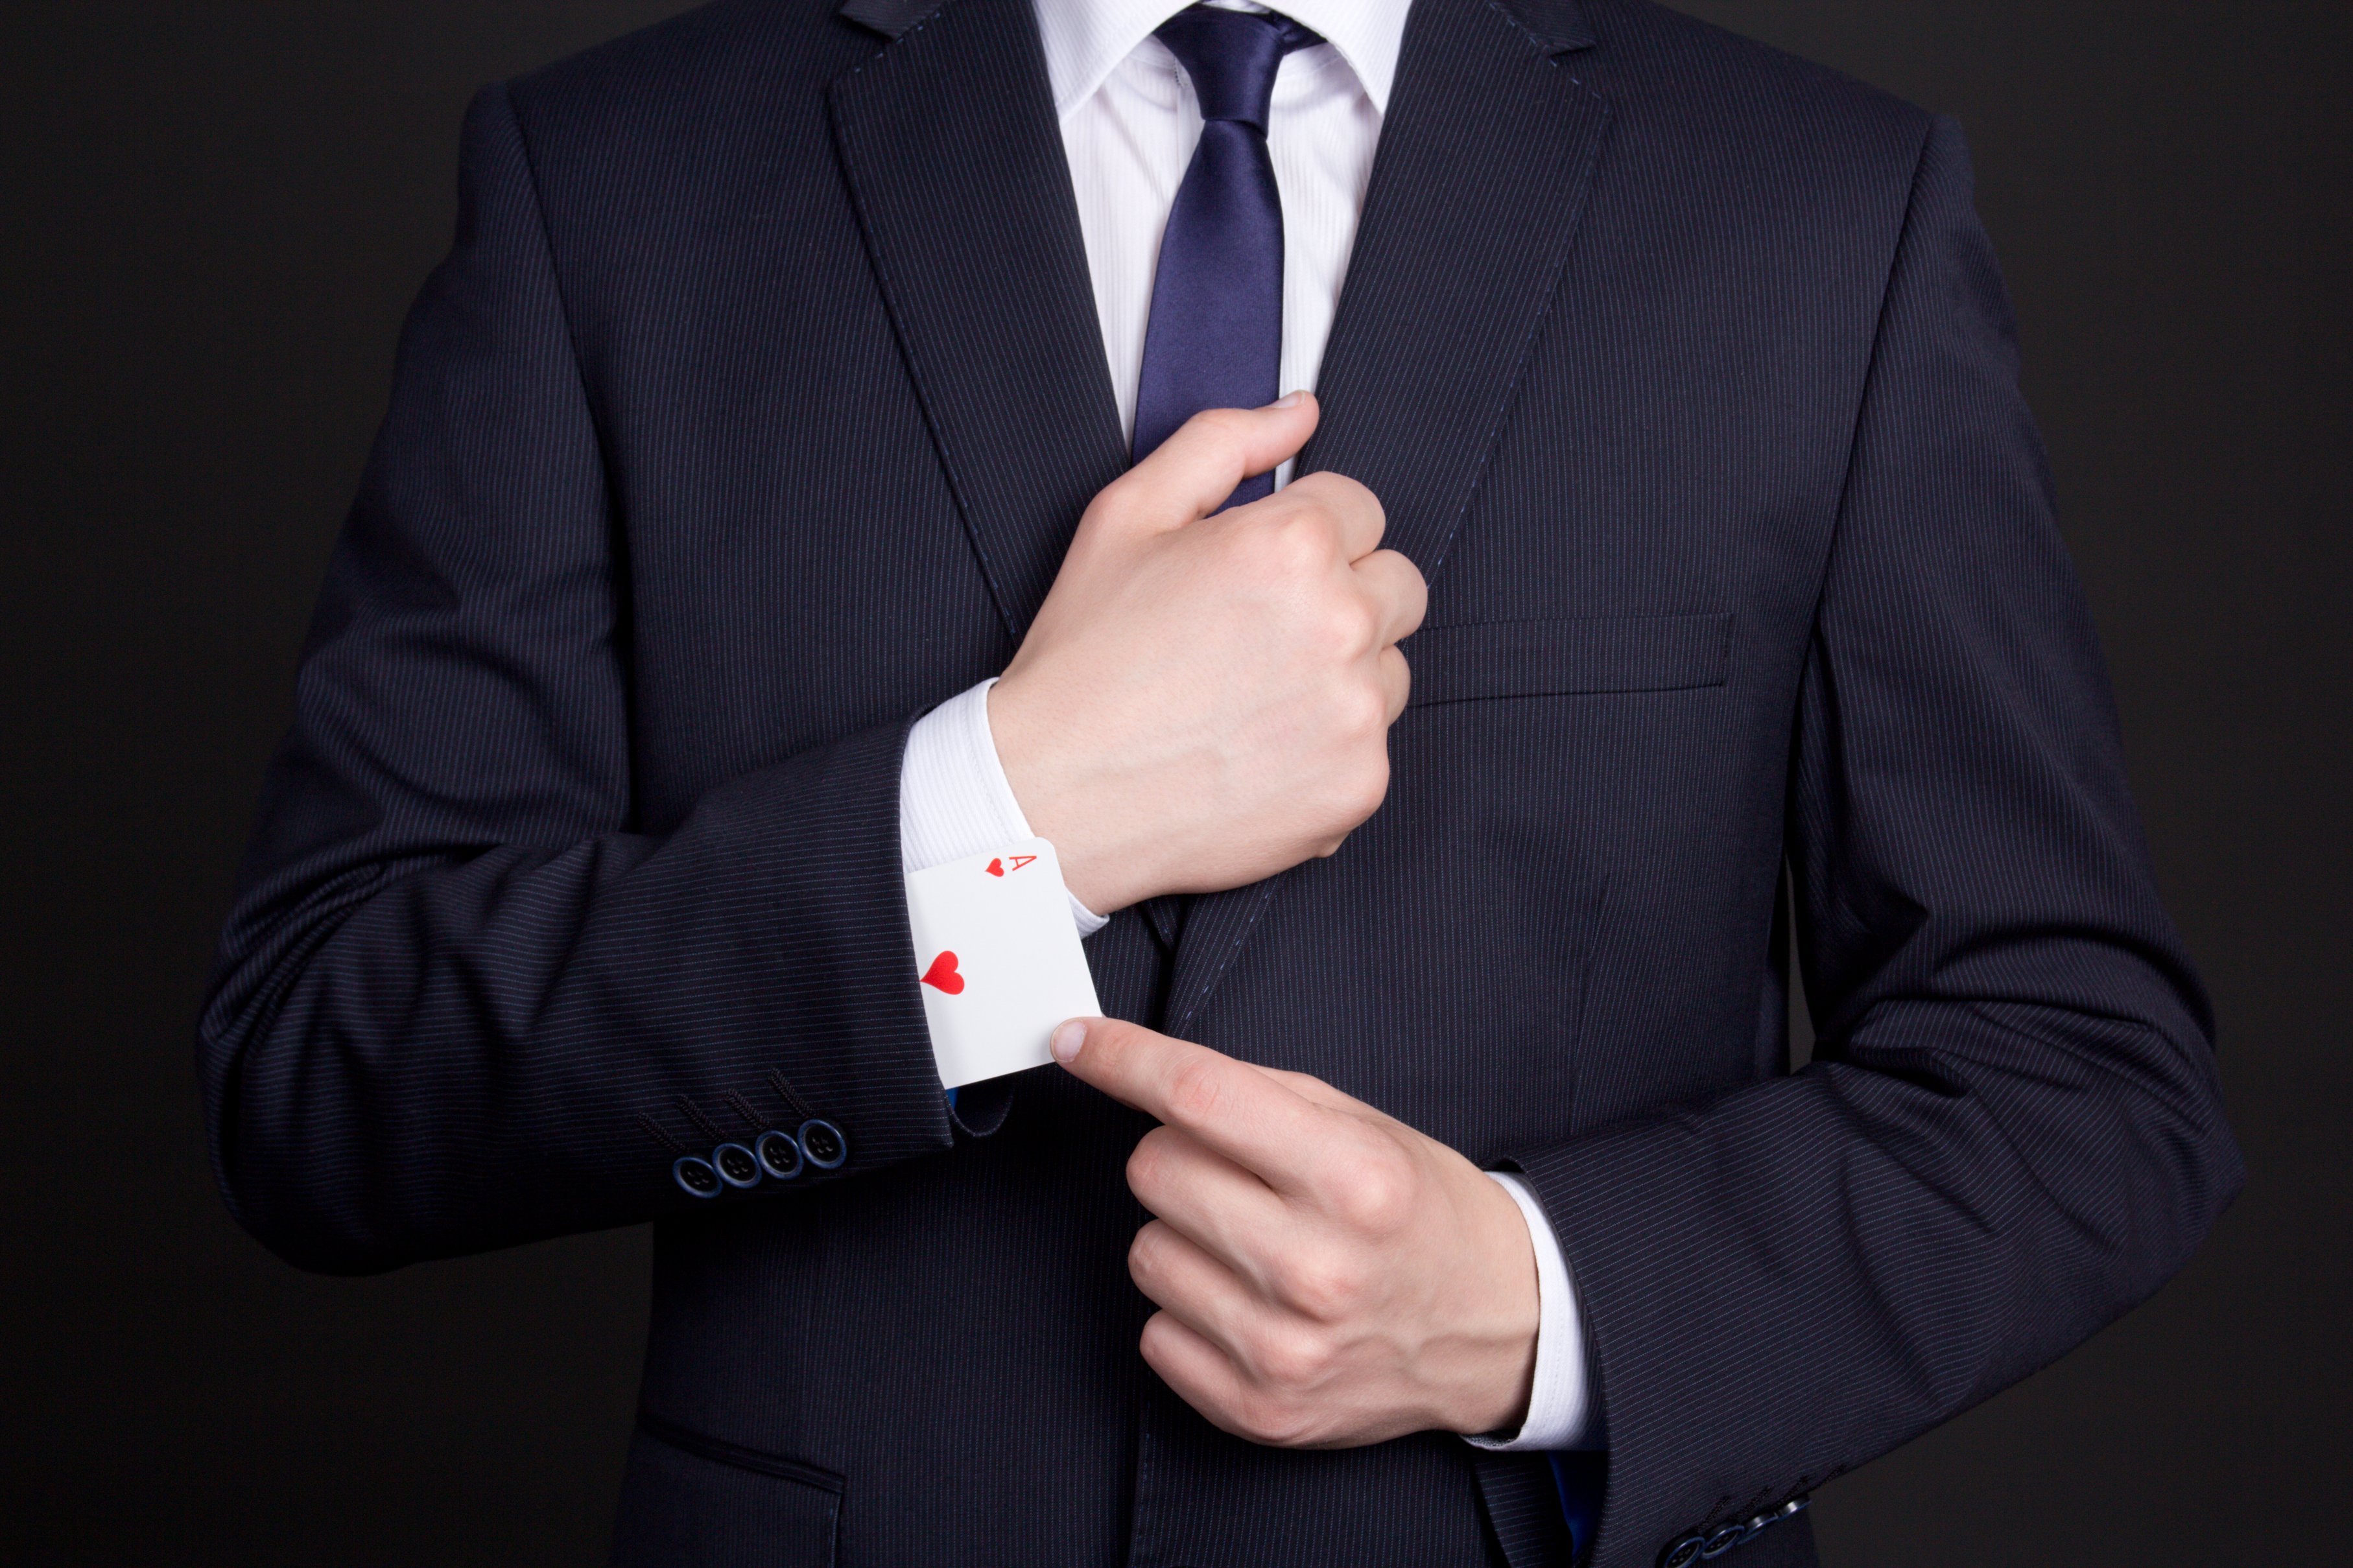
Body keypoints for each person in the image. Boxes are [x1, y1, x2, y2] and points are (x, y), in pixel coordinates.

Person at [197, 0, 2242, 1563]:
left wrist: (1538, 1308)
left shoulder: (1821, 213)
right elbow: (321, 1063)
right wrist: (1002, 817)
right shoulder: (611, 188)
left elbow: (2083, 1076)